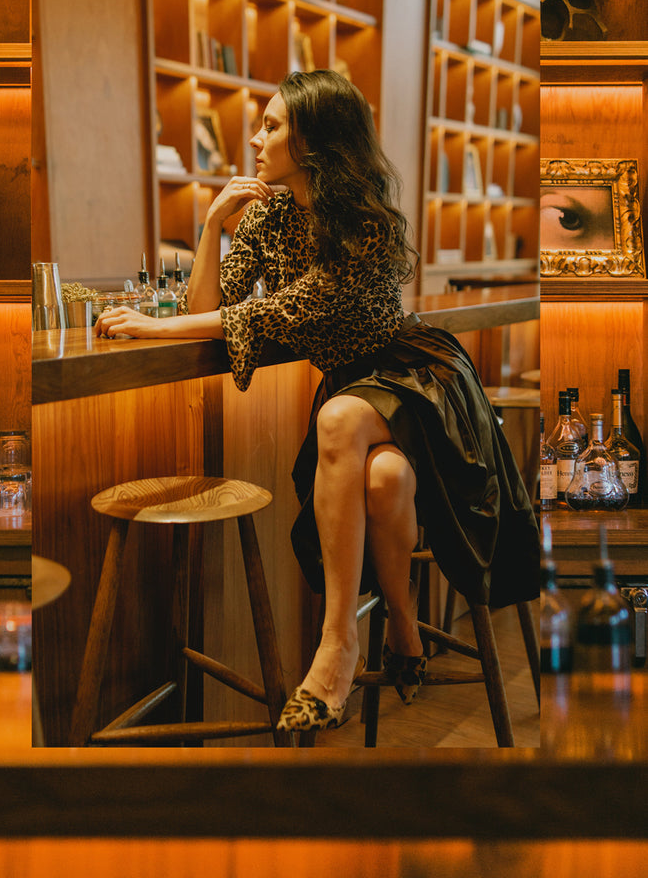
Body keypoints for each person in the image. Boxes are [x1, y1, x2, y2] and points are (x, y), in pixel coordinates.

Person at [96, 70, 539, 734]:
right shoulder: (270, 214)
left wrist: (153, 326)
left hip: (415, 379)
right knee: (384, 478)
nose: (256, 137)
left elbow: (281, 309)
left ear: (315, 140)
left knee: (337, 418)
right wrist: (215, 225)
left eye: (272, 125)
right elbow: (213, 306)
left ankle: (337, 647)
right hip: (354, 392)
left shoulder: (366, 223)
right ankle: (406, 637)